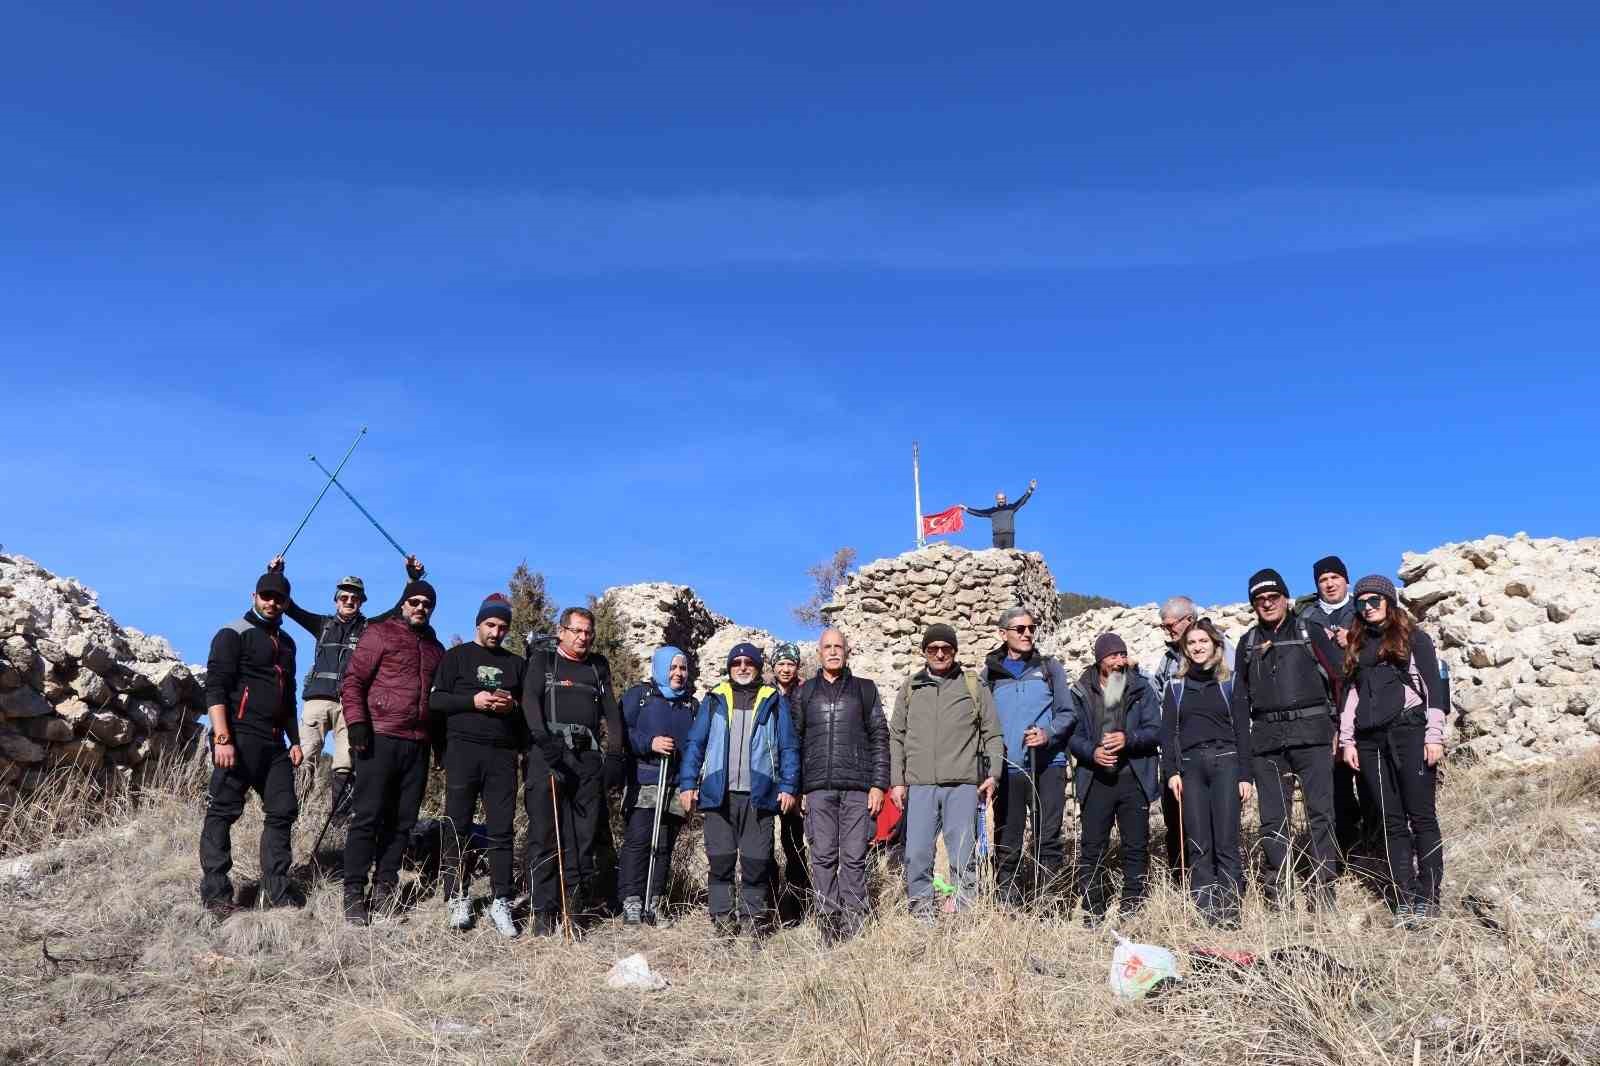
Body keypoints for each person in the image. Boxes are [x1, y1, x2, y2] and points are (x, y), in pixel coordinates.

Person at [267, 552, 424, 826]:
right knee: (304, 758)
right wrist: (276, 575)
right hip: (316, 701)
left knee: (345, 764)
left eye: (355, 598)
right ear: (336, 600)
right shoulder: (322, 624)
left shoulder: (371, 628)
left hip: (349, 706)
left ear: (362, 601)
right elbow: (290, 608)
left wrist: (412, 579)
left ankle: (337, 824)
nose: (349, 601)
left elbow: (401, 608)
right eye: (344, 597)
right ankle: (291, 816)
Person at [1339, 575, 1447, 925]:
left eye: (1374, 601)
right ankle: (1405, 896)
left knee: (1421, 816)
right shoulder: (1356, 644)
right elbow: (1352, 697)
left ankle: (1429, 896)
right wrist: (1347, 740)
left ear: (1389, 601)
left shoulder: (1415, 638)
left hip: (1410, 733)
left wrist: (1434, 736)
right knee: (1390, 820)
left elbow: (1434, 689)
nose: (1367, 608)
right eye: (1361, 602)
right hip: (1370, 741)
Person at [1235, 568, 1343, 910]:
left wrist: (1341, 728)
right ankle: (1277, 896)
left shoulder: (1309, 631)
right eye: (1259, 600)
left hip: (1313, 735)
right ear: (1254, 605)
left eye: (1272, 597)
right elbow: (1239, 701)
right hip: (1267, 741)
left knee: (1321, 814)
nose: (1267, 604)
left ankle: (1322, 892)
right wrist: (1244, 752)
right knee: (1273, 819)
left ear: (1285, 598)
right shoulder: (1247, 643)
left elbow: (1339, 678)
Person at [198, 571, 304, 918]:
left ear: (287, 603)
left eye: (278, 598)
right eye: (266, 596)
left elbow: (288, 699)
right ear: (253, 596)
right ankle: (217, 897)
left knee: (283, 810)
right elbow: (215, 688)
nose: (272, 602)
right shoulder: (233, 633)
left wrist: (296, 740)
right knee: (222, 813)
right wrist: (222, 738)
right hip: (238, 738)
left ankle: (277, 892)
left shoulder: (287, 643)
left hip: (274, 744)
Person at [340, 576, 444, 925]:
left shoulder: (435, 648)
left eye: (426, 604)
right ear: (403, 604)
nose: (420, 608)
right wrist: (357, 724)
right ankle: (353, 892)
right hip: (379, 736)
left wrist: (440, 745)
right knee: (367, 817)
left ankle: (385, 886)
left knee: (402, 822)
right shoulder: (380, 633)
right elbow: (353, 680)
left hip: (418, 743)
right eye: (414, 602)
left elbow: (438, 702)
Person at [679, 643, 800, 937]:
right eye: (737, 663)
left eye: (749, 662)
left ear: (758, 667)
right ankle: (722, 922)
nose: (743, 667)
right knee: (720, 860)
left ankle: (753, 922)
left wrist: (787, 786)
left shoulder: (772, 699)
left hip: (759, 795)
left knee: (756, 862)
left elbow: (788, 747)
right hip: (718, 794)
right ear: (730, 667)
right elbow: (696, 743)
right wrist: (687, 783)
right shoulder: (715, 699)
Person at [521, 606, 627, 936]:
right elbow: (529, 701)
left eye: (589, 633)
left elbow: (611, 712)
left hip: (588, 758)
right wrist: (542, 740)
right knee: (545, 835)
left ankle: (574, 909)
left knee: (582, 838)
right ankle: (543, 910)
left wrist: (614, 755)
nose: (583, 638)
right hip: (549, 756)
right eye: (577, 631)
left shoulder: (598, 667)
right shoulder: (544, 660)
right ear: (562, 631)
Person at [890, 624, 1004, 920]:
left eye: (946, 649)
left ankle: (965, 915)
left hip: (963, 785)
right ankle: (922, 915)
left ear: (954, 651)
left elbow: (992, 734)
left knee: (963, 854)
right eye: (933, 649)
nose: (940, 654)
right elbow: (896, 736)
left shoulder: (973, 685)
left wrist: (993, 773)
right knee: (916, 854)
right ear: (925, 652)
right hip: (921, 785)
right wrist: (896, 781)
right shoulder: (911, 687)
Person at [429, 593, 526, 938]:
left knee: (502, 829)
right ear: (478, 624)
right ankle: (458, 895)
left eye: (502, 627)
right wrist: (473, 700)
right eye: (491, 625)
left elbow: (527, 712)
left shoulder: (517, 664)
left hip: (502, 755)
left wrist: (510, 706)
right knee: (457, 826)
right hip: (462, 750)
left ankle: (501, 899)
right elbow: (435, 700)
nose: (496, 632)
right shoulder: (456, 657)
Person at [790, 628, 889, 943]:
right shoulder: (804, 693)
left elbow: (879, 738)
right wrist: (797, 788)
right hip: (818, 789)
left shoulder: (864, 689)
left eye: (838, 647)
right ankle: (829, 923)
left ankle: (854, 923)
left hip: (858, 789)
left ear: (848, 652)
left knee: (854, 856)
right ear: (819, 653)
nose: (833, 651)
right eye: (827, 647)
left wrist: (878, 785)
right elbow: (794, 743)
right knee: (822, 856)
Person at [1159, 619, 1252, 927]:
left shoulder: (1231, 681)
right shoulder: (1176, 686)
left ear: (1215, 645)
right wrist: (1171, 770)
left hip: (1226, 762)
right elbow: (1168, 732)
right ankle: (1204, 911)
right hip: (1190, 767)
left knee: (1226, 839)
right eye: (1192, 643)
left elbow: (1243, 730)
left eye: (1203, 641)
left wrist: (1245, 775)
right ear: (1185, 649)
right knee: (1198, 840)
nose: (1198, 647)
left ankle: (1229, 911)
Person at [982, 607, 1074, 908]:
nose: (1027, 633)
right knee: (1007, 839)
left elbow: (1067, 713)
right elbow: (983, 723)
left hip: (1048, 764)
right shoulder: (990, 675)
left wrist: (1047, 733)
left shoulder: (1049, 668)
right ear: (1003, 633)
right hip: (1009, 768)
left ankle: (1048, 906)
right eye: (1019, 629)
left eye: (1031, 628)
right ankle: (1008, 903)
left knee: (1047, 837)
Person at [1066, 632, 1161, 923]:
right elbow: (1073, 735)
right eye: (1112, 656)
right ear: (1100, 660)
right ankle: (1093, 908)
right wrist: (1092, 753)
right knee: (1093, 846)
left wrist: (1128, 739)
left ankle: (1132, 906)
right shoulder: (1081, 690)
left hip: (1133, 776)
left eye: (1122, 654)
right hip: (1097, 779)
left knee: (1136, 844)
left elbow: (1156, 729)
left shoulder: (1140, 688)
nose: (1119, 661)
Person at [1147, 596, 1236, 887]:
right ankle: (1192, 890)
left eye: (1169, 625)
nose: (1166, 631)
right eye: (1163, 626)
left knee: (1222, 833)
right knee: (1187, 828)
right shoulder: (1167, 660)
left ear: (1188, 619)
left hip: (1222, 755)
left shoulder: (1223, 652)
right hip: (1182, 757)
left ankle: (1228, 897)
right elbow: (1162, 702)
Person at [1297, 555, 1371, 861]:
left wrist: (1353, 640)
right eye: (1323, 580)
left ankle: (1375, 847)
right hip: (1324, 712)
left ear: (1346, 580)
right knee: (1335, 787)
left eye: (1334, 578)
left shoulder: (1365, 608)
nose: (1329, 584)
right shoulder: (1305, 617)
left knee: (1369, 782)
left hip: (1365, 707)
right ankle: (1346, 852)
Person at [617, 645, 697, 926]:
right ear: (661, 667)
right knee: (639, 841)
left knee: (663, 845)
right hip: (645, 778)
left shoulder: (690, 703)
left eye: (682, 668)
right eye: (672, 667)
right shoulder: (640, 695)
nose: (677, 673)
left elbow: (695, 745)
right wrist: (648, 743)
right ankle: (631, 901)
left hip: (674, 784)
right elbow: (622, 731)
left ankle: (655, 901)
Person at [769, 641, 812, 925]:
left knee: (793, 843)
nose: (785, 669)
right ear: (773, 666)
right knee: (761, 844)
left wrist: (802, 788)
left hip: (795, 780)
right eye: (781, 663)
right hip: (767, 778)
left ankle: (798, 904)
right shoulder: (765, 695)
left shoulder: (805, 695)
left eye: (790, 664)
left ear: (797, 667)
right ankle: (769, 900)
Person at [962, 479, 1037, 549]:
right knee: (997, 558)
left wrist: (1030, 489)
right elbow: (979, 513)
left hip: (1009, 535)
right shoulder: (992, 511)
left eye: (1002, 499)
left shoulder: (1011, 508)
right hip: (997, 536)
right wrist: (966, 509)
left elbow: (1022, 501)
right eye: (999, 499)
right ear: (996, 500)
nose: (1001, 500)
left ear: (1005, 499)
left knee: (1009, 557)